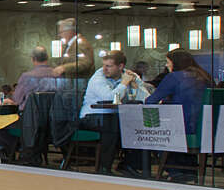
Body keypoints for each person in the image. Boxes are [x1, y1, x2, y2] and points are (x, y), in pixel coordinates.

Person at [145, 49, 213, 182]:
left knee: (153, 132)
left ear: (175, 63)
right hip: (206, 129)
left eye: (168, 62)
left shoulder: (174, 77)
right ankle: (189, 170)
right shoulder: (204, 76)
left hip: (182, 128)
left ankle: (175, 171)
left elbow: (150, 101)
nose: (166, 65)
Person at [78, 51, 150, 174]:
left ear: (120, 66)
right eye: (103, 65)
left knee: (137, 124)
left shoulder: (130, 76)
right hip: (91, 116)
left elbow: (145, 98)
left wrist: (135, 87)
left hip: (115, 117)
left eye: (109, 66)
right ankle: (104, 168)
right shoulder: (98, 78)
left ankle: (130, 165)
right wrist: (124, 84)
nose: (104, 69)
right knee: (112, 122)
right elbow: (109, 98)